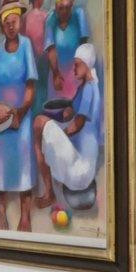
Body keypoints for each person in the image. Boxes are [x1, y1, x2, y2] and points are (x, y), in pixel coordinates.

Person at [0, 0, 40, 231]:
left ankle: (25, 215)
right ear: (2, 26)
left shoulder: (26, 47)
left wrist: (21, 113)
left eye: (14, 21)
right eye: (6, 23)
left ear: (19, 21)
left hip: (21, 115)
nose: (10, 26)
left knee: (24, 165)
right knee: (1, 165)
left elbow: (31, 85)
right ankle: (1, 212)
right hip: (0, 118)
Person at [36, 43, 104, 208]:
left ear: (86, 65)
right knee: (47, 130)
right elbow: (72, 110)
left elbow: (77, 125)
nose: (73, 68)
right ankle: (50, 189)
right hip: (84, 170)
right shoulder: (89, 85)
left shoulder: (89, 90)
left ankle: (49, 192)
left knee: (38, 123)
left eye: (77, 64)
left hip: (79, 171)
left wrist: (57, 135)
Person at [45, 0, 92, 99]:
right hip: (57, 71)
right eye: (61, 8)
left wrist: (83, 71)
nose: (64, 11)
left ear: (72, 5)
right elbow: (50, 48)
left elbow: (84, 46)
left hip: (75, 71)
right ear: (56, 7)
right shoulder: (51, 19)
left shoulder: (78, 14)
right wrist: (56, 74)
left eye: (68, 7)